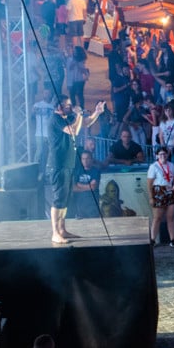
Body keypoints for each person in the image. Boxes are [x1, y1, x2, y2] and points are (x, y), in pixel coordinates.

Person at [46, 96, 105, 244]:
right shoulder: (55, 119)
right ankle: (55, 233)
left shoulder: (69, 116)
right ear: (59, 106)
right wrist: (79, 114)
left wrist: (96, 113)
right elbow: (73, 130)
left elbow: (85, 123)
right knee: (58, 198)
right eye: (67, 105)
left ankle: (62, 230)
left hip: (68, 164)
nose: (70, 107)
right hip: (58, 164)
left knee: (65, 198)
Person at [147, 147, 174, 247]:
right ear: (157, 156)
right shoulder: (154, 166)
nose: (163, 156)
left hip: (170, 191)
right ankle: (152, 240)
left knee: (171, 217)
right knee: (157, 218)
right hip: (159, 192)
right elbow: (149, 184)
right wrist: (151, 197)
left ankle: (173, 240)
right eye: (160, 154)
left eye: (164, 154)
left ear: (167, 155)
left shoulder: (171, 165)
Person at [71, 150, 101, 219]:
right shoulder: (77, 171)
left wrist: (79, 185)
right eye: (83, 159)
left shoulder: (95, 171)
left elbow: (93, 187)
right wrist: (88, 187)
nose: (85, 161)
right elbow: (74, 188)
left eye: (87, 158)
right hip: (80, 206)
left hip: (93, 206)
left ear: (91, 159)